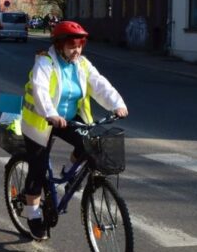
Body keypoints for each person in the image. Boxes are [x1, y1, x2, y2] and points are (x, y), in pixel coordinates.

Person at [17, 20, 129, 240]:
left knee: (89, 145)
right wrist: (50, 113)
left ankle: (68, 173)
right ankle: (32, 214)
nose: (76, 50)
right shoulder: (45, 61)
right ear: (59, 45)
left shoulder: (82, 64)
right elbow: (40, 90)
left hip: (68, 120)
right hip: (40, 120)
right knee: (38, 169)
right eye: (71, 45)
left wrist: (117, 104)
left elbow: (99, 84)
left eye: (80, 45)